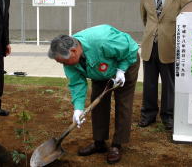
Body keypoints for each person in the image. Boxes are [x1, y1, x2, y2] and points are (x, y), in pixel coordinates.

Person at [48, 24, 140, 164]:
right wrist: (78, 108)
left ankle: (117, 145)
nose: (64, 65)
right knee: (97, 104)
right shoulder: (69, 62)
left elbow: (130, 48)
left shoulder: (102, 40)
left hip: (126, 63)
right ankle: (99, 142)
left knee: (123, 104)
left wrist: (121, 70)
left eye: (64, 61)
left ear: (73, 51)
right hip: (99, 71)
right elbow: (77, 83)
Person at [138, 0, 191, 130]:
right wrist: (153, 33)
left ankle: (168, 116)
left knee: (169, 83)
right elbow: (145, 19)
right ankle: (148, 114)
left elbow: (188, 19)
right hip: (149, 45)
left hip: (171, 45)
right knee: (149, 82)